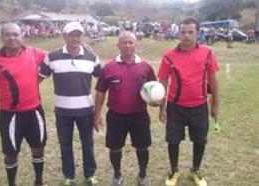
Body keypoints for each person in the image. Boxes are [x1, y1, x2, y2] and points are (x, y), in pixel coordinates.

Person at [0, 23, 47, 186]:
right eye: (8, 34)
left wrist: (80, 46)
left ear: (22, 36)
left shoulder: (35, 53)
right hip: (10, 115)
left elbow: (57, 57)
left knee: (38, 148)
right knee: (10, 153)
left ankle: (39, 182)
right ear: (2, 38)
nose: (12, 38)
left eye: (16, 34)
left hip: (35, 112)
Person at [157, 18, 220, 186]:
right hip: (175, 107)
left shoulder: (207, 53)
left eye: (191, 32)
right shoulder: (168, 56)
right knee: (173, 140)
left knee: (200, 140)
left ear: (197, 33)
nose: (186, 36)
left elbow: (213, 80)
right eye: (183, 32)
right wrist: (161, 108)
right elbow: (162, 83)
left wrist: (216, 104)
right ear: (178, 33)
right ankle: (174, 170)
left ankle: (195, 170)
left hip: (199, 106)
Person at [39, 22, 101, 186]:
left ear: (82, 37)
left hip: (86, 111)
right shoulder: (52, 56)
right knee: (65, 145)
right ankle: (69, 176)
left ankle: (90, 174)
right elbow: (38, 78)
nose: (75, 38)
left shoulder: (92, 57)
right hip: (63, 111)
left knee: (87, 144)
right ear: (64, 36)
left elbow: (103, 80)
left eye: (78, 35)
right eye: (71, 35)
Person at [94, 31, 156, 186]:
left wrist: (155, 101)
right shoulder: (108, 67)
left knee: (142, 147)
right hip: (116, 116)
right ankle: (117, 175)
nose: (128, 46)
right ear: (118, 45)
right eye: (124, 42)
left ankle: (142, 175)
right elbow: (101, 91)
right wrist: (97, 114)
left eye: (131, 42)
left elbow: (154, 90)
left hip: (139, 115)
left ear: (136, 44)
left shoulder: (146, 67)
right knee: (115, 148)